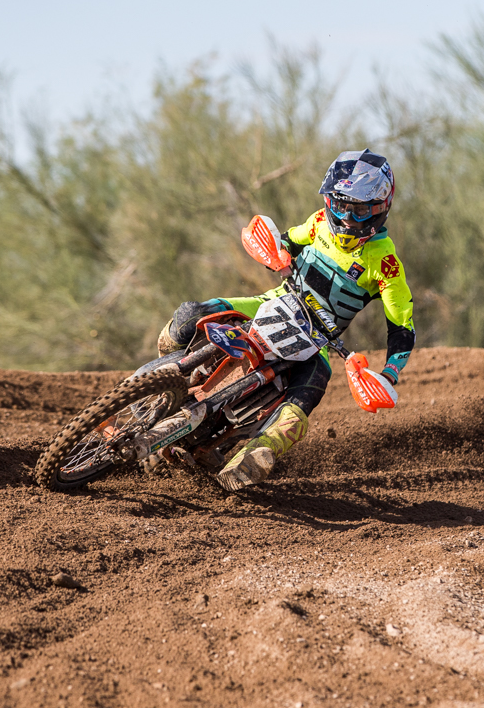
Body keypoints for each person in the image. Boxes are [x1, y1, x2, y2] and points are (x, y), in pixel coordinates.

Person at [153, 149, 415, 491]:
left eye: (360, 210)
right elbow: (287, 242)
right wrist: (275, 253)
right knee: (190, 315)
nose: (348, 218)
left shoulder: (386, 263)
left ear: (380, 209)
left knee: (303, 401)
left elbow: (402, 326)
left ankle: (253, 456)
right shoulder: (319, 222)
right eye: (340, 205)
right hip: (272, 302)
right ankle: (164, 385)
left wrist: (389, 374)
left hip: (319, 341)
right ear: (329, 202)